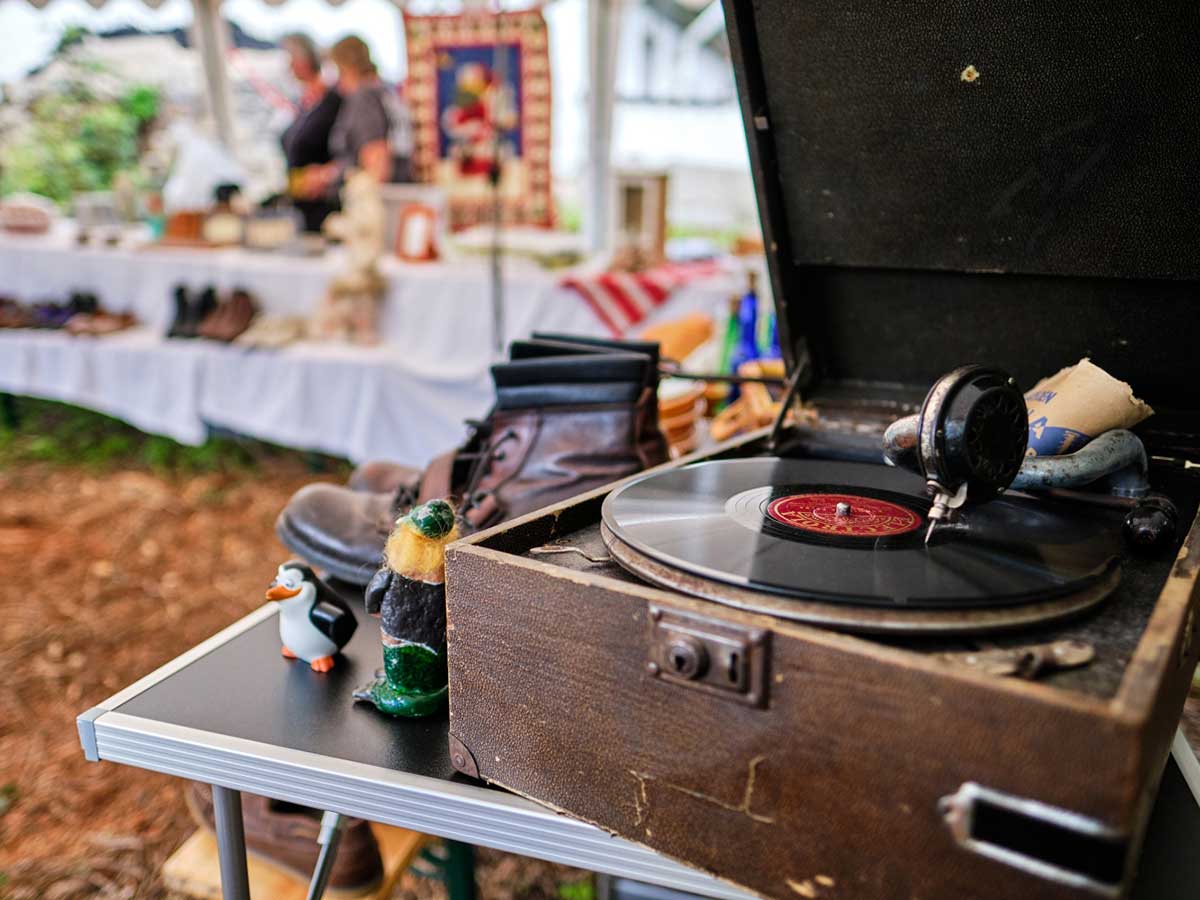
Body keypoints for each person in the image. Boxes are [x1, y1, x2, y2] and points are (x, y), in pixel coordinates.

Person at [299, 36, 413, 200]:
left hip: (378, 203)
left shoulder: (363, 97)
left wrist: (325, 176)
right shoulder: (383, 91)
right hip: (396, 193)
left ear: (346, 68)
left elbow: (376, 161)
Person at [279, 33, 342, 231]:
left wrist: (326, 175)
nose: (290, 68)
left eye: (293, 61)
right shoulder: (305, 103)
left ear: (305, 62)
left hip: (324, 203)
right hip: (301, 201)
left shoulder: (332, 101)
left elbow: (345, 149)